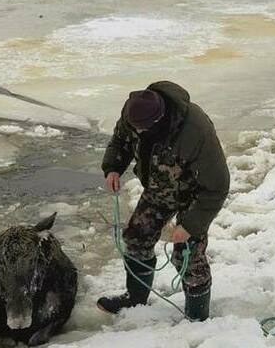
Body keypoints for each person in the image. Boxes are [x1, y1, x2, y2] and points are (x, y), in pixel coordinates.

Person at [98, 81, 230, 321]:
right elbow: (121, 141)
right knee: (136, 237)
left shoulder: (195, 131)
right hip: (160, 187)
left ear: (158, 120)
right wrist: (113, 168)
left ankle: (197, 316)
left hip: (196, 194)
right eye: (134, 128)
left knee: (187, 255)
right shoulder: (134, 111)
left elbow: (217, 186)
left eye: (142, 129)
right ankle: (135, 299)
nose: (137, 132)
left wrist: (190, 225)